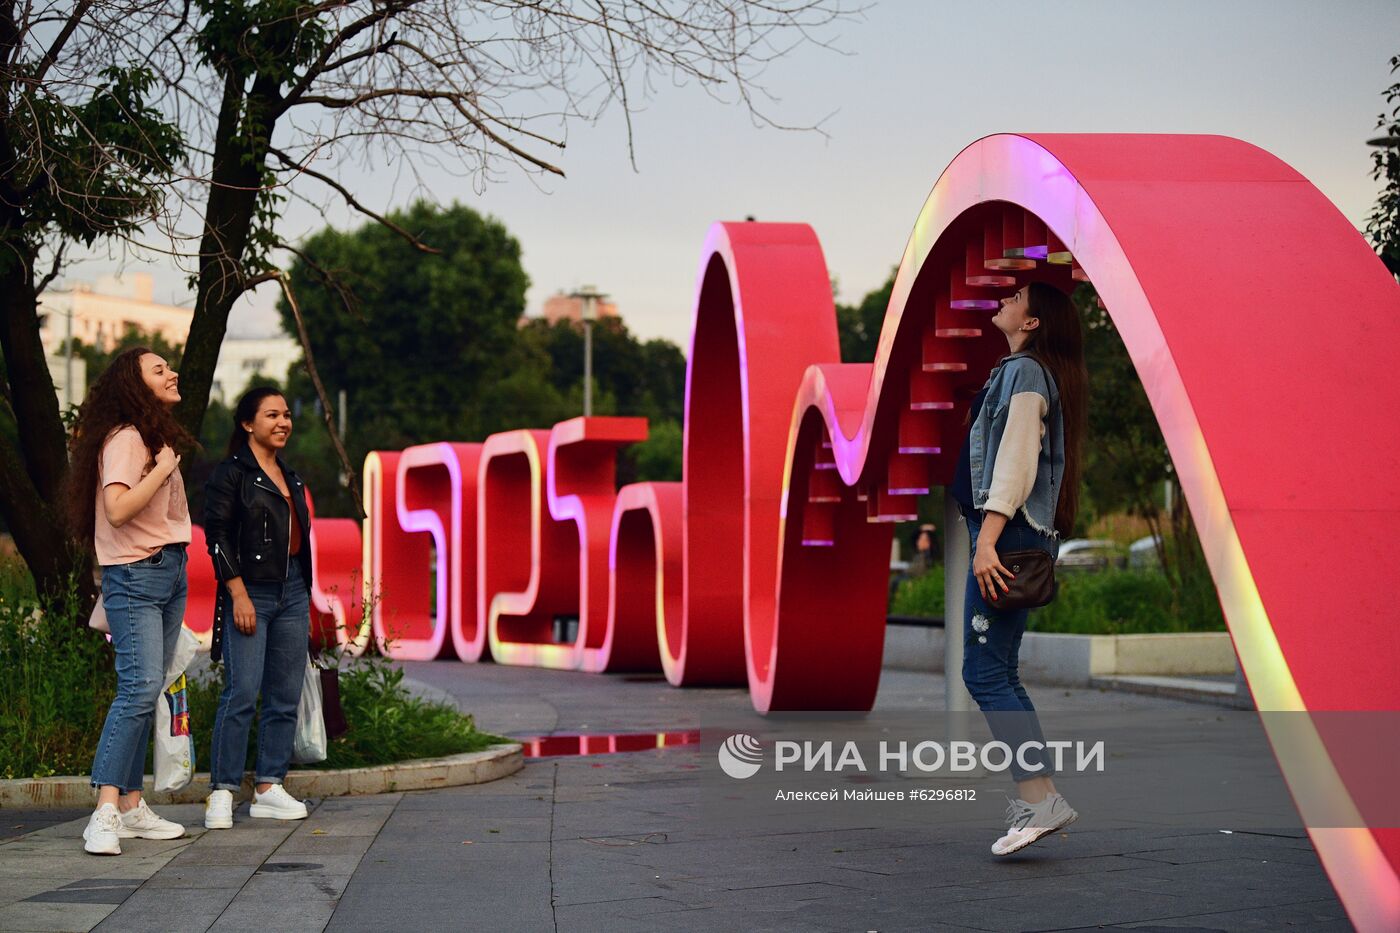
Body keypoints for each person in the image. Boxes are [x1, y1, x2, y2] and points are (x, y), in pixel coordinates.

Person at [950, 281, 1088, 856]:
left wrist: (987, 541)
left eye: (1014, 297)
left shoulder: (1025, 374)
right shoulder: (1020, 371)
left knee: (984, 674)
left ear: (1033, 322)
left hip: (1008, 538)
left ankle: (1039, 801)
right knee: (999, 672)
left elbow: (1014, 463)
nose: (1003, 300)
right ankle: (1043, 799)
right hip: (1017, 536)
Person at [67, 348, 195, 855]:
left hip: (168, 572)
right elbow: (118, 509)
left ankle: (131, 805)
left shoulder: (152, 437)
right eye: (159, 370)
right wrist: (162, 469)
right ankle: (103, 810)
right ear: (136, 386)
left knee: (149, 689)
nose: (172, 373)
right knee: (138, 688)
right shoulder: (126, 439)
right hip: (137, 575)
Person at [202, 387, 315, 829]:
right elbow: (217, 537)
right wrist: (238, 593)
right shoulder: (231, 474)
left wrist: (305, 591)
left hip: (293, 593)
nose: (283, 422)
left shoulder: (292, 475)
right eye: (272, 415)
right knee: (242, 693)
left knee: (284, 695)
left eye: (287, 414)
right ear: (248, 423)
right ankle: (222, 791)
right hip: (251, 592)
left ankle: (269, 786)